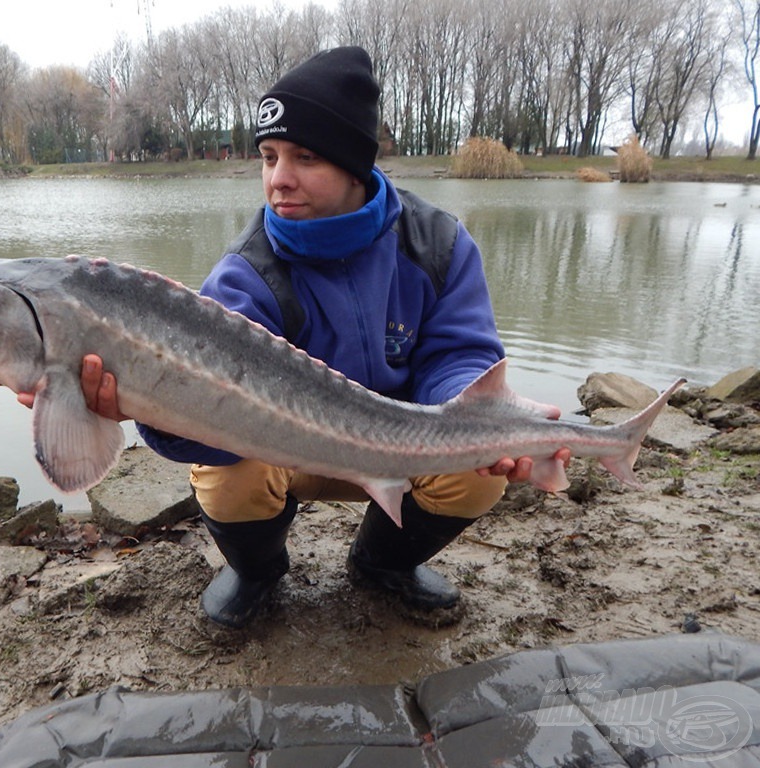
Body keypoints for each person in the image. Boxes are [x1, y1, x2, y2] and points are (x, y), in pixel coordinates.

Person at [76, 46, 569, 629]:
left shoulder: (438, 243)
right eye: (268, 156)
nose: (278, 179)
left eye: (305, 156)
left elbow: (458, 355)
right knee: (228, 477)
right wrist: (148, 405)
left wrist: (481, 419)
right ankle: (257, 572)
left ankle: (383, 563)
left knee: (474, 476)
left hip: (402, 448)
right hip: (289, 452)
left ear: (355, 166)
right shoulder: (246, 272)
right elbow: (213, 412)